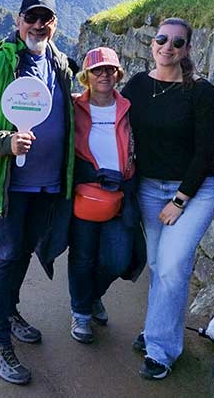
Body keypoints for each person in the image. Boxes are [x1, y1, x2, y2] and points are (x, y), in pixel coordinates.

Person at [0, 0, 76, 385]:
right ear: (19, 20)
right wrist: (6, 143)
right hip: (12, 185)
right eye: (32, 18)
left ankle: (9, 311)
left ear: (54, 24)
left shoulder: (61, 65)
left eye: (46, 19)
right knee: (5, 255)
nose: (38, 26)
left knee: (24, 251)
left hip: (47, 185)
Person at [121, 17, 214, 380]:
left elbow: (205, 155)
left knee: (172, 266)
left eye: (178, 43)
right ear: (152, 43)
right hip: (150, 188)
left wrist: (179, 200)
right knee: (158, 264)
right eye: (162, 39)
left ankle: (160, 350)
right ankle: (155, 330)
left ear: (187, 50)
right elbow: (109, 117)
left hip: (194, 192)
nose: (168, 47)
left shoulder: (202, 94)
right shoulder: (136, 87)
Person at [67, 47, 146, 344]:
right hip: (86, 194)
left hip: (120, 195)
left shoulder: (127, 106)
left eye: (110, 69)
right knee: (83, 256)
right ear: (86, 76)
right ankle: (81, 313)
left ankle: (92, 296)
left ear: (118, 74)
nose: (104, 75)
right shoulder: (74, 107)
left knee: (117, 258)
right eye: (97, 70)